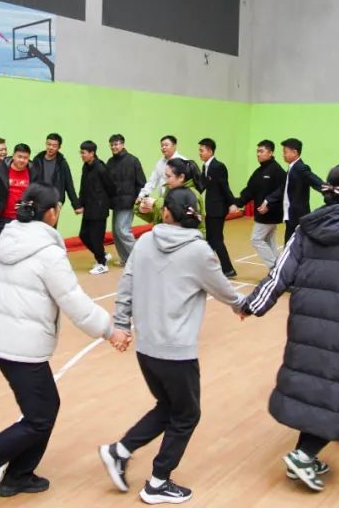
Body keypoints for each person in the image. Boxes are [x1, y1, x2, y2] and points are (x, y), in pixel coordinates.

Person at [0, 183, 114, 503]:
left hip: (4, 345)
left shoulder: (3, 241)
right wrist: (109, 330)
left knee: (43, 410)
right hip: (25, 349)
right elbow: (74, 302)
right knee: (40, 417)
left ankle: (18, 475)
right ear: (51, 213)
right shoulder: (49, 253)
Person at [239, 163, 339, 493]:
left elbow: (280, 273)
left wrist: (253, 304)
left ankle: (305, 454)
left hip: (307, 319)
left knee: (314, 384)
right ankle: (304, 454)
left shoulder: (306, 229)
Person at [99, 188, 244, 504]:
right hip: (176, 352)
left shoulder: (145, 242)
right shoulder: (199, 251)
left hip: (146, 349)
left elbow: (126, 286)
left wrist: (121, 324)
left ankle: (119, 451)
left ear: (166, 213)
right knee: (187, 414)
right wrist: (244, 305)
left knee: (168, 406)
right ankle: (158, 482)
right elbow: (225, 291)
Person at [232, 140, 285, 269]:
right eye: (257, 151)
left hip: (270, 214)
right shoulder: (259, 172)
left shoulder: (277, 171)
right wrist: (237, 203)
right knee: (269, 241)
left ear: (270, 153)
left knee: (256, 239)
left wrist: (269, 206)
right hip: (262, 213)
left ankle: (274, 268)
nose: (258, 154)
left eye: (261, 151)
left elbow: (282, 192)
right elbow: (249, 190)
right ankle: (278, 269)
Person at [263, 138, 323, 242]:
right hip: (290, 215)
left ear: (294, 152)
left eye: (285, 152)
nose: (283, 155)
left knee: (293, 245)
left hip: (297, 216)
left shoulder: (300, 167)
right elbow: (284, 188)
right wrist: (267, 200)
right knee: (291, 245)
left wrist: (330, 190)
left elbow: (314, 180)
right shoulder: (292, 168)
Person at [0, 143, 37, 250]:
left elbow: (38, 195)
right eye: (19, 156)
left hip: (24, 219)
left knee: (22, 249)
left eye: (25, 158)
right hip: (2, 218)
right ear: (13, 155)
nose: (22, 160)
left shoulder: (34, 172)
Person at [197, 138, 237, 277]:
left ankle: (228, 269)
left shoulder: (218, 166)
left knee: (216, 239)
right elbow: (201, 186)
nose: (199, 153)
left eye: (202, 150)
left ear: (210, 151)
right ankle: (206, 266)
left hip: (218, 209)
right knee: (210, 239)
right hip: (211, 208)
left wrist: (232, 203)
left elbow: (225, 187)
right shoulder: (205, 167)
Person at [106, 134, 146, 265]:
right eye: (112, 145)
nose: (114, 147)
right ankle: (125, 259)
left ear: (123, 144)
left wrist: (141, 199)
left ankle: (140, 260)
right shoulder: (110, 162)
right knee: (116, 233)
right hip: (115, 202)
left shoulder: (133, 160)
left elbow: (141, 182)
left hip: (129, 202)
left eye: (116, 144)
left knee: (123, 231)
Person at [78, 140, 117, 275]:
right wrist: (80, 204)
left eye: (84, 153)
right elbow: (83, 187)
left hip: (99, 209)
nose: (81, 155)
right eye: (81, 152)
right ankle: (102, 255)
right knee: (83, 235)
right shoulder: (86, 167)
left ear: (92, 153)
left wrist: (102, 200)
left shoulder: (101, 168)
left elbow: (111, 187)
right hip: (89, 208)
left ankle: (102, 264)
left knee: (96, 237)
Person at [135, 158, 204, 233]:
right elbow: (162, 218)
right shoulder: (170, 189)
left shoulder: (192, 195)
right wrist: (144, 210)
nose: (166, 180)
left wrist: (156, 203)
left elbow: (183, 222)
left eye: (169, 176)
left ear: (181, 177)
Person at [30, 133, 81, 218]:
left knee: (50, 226)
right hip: (38, 201)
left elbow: (69, 185)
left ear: (59, 147)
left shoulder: (62, 164)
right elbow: (31, 181)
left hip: (54, 202)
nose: (51, 147)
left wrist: (76, 206)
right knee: (37, 225)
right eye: (49, 144)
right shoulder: (37, 160)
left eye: (54, 146)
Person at [138, 135, 186, 201]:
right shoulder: (160, 163)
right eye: (162, 145)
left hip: (178, 198)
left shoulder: (183, 161)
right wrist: (142, 195)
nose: (163, 147)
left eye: (166, 145)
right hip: (163, 199)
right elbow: (152, 181)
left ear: (174, 146)